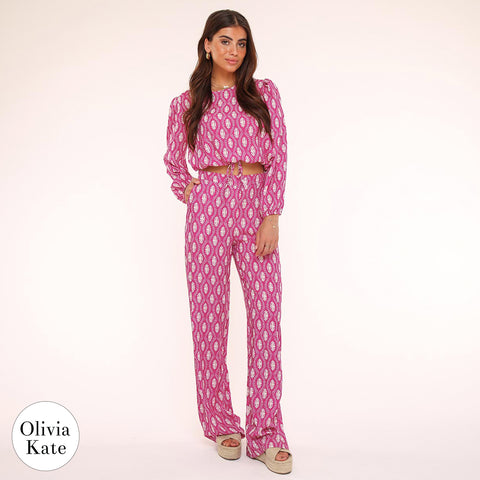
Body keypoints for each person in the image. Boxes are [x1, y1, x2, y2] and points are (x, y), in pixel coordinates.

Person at [163, 9, 292, 475]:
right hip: (208, 211)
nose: (234, 51)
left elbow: (279, 155)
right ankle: (221, 423)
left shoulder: (264, 93)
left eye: (241, 43)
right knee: (209, 320)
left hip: (256, 206)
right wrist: (191, 191)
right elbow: (174, 160)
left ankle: (266, 433)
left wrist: (271, 215)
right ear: (207, 45)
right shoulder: (185, 103)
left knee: (266, 319)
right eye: (224, 41)